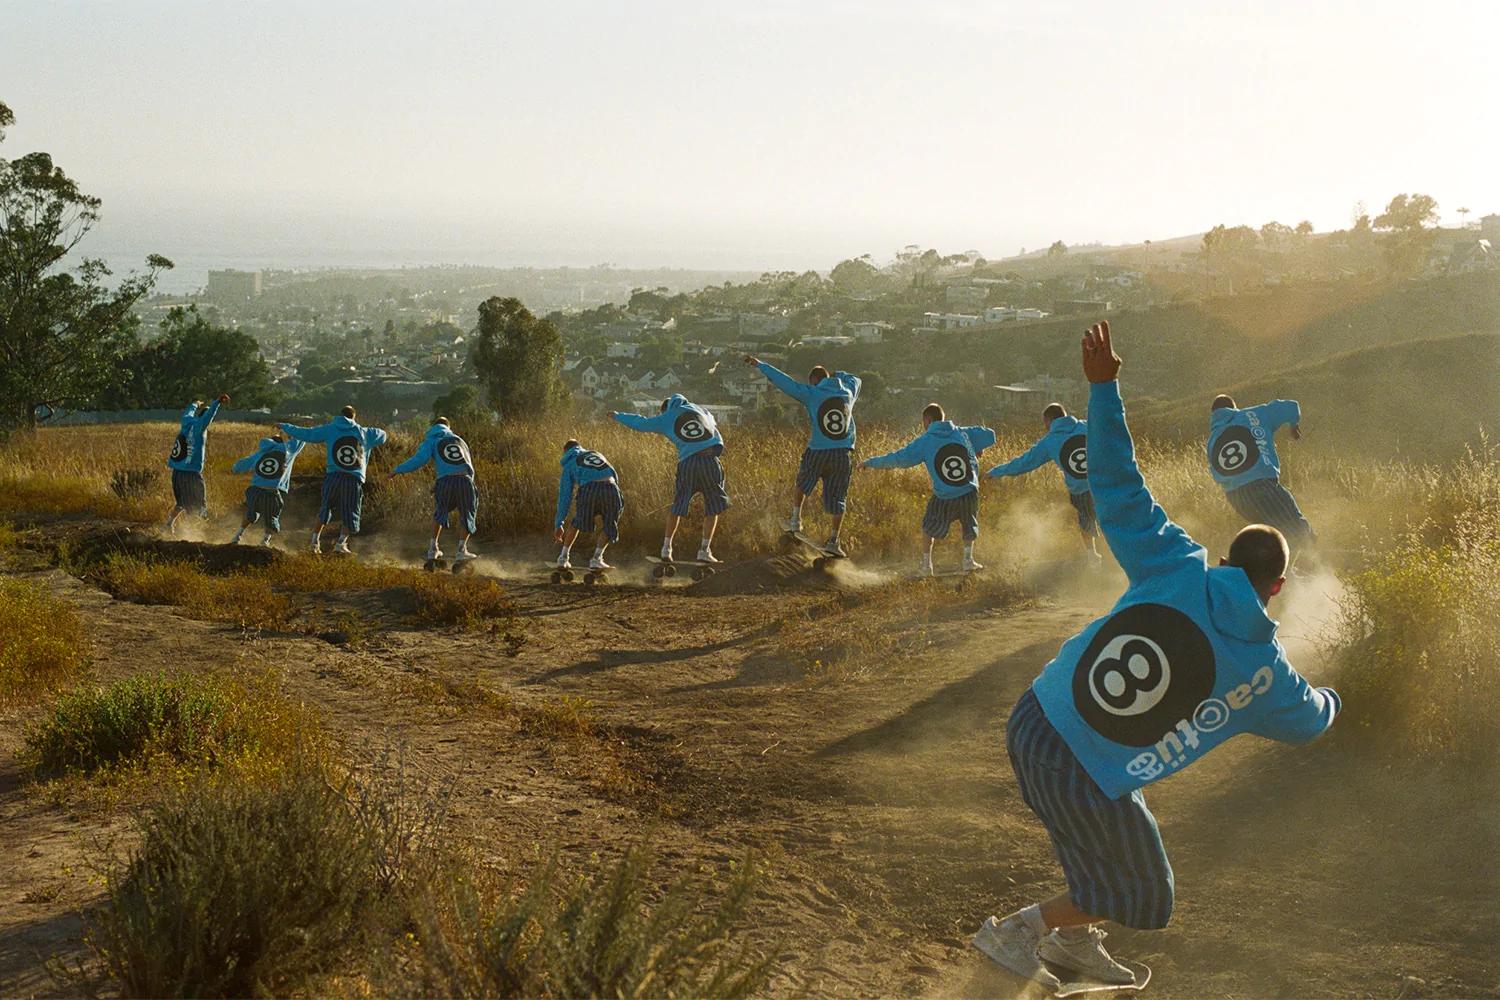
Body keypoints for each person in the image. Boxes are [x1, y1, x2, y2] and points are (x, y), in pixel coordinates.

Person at [974, 321, 1340, 990]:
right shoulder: (1267, 677)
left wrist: (1105, 387)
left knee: (1111, 841)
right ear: (1279, 588)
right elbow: (1314, 718)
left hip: (1035, 718)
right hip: (1081, 766)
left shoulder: (1176, 561)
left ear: (1227, 560)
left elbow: (1116, 482)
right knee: (1145, 893)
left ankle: (1074, 944)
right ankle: (1019, 931)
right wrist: (1339, 688)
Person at [744, 355, 861, 555]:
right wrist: (837, 375)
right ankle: (834, 540)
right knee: (838, 499)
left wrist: (762, 366)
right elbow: (856, 379)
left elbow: (785, 383)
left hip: (818, 451)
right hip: (843, 454)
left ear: (814, 380)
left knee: (802, 484)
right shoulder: (848, 391)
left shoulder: (812, 393)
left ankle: (796, 521)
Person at [862, 402, 995, 575]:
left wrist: (871, 463)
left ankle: (926, 566)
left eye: (923, 422)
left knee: (928, 527)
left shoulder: (925, 441)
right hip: (969, 490)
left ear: (928, 419)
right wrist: (977, 446)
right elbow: (990, 435)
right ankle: (968, 560)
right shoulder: (963, 432)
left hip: (945, 495)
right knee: (969, 524)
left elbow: (898, 459)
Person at [612, 394, 728, 564]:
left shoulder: (667, 416)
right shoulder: (702, 410)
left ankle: (667, 548)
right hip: (711, 461)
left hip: (689, 463)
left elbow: (642, 423)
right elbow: (714, 430)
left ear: (666, 408)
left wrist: (618, 416)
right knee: (713, 507)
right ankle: (705, 550)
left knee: (678, 505)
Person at [986, 402, 1101, 562]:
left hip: (1081, 490)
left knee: (1086, 521)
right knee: (1111, 517)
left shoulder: (1049, 441)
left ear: (1048, 421)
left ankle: (1092, 557)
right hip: (1103, 482)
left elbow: (1024, 463)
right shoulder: (1087, 426)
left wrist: (996, 471)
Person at [1207, 394, 1314, 547]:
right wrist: (1293, 425)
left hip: (1236, 498)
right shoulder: (1252, 414)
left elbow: (1217, 472)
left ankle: (1279, 567)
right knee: (1297, 528)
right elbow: (1291, 406)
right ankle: (1319, 559)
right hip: (1262, 487)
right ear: (1234, 408)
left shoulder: (1212, 439)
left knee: (1272, 536)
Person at [279, 405, 387, 555]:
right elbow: (383, 435)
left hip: (333, 476)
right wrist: (364, 431)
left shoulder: (329, 429)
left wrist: (285, 426)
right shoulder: (365, 432)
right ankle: (341, 543)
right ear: (354, 417)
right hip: (353, 478)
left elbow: (307, 434)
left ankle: (314, 542)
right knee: (351, 512)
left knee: (325, 508)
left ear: (340, 415)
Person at [389, 416, 478, 564]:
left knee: (440, 512)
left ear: (433, 427)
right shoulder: (460, 440)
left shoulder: (432, 440)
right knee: (468, 513)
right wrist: (471, 483)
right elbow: (469, 465)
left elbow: (419, 460)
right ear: (449, 427)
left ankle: (433, 548)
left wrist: (398, 470)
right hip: (465, 480)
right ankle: (462, 550)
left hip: (445, 482)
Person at [553, 440, 623, 571]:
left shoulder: (569, 464)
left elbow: (565, 495)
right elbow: (613, 473)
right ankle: (597, 559)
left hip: (589, 489)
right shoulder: (597, 454)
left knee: (577, 522)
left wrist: (559, 523)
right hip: (611, 487)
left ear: (565, 451)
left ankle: (563, 558)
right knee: (610, 523)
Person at [164, 393, 228, 534]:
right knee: (200, 502)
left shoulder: (187, 422)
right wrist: (217, 402)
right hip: (190, 472)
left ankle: (169, 524)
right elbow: (209, 415)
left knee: (182, 502)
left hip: (177, 472)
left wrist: (195, 404)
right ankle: (192, 531)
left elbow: (188, 413)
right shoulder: (200, 427)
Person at [228, 432, 306, 546]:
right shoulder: (287, 450)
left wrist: (234, 468)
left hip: (254, 490)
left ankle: (237, 536)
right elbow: (301, 438)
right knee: (272, 517)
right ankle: (265, 541)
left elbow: (240, 465)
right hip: (272, 491)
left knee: (252, 513)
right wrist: (290, 432)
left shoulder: (260, 452)